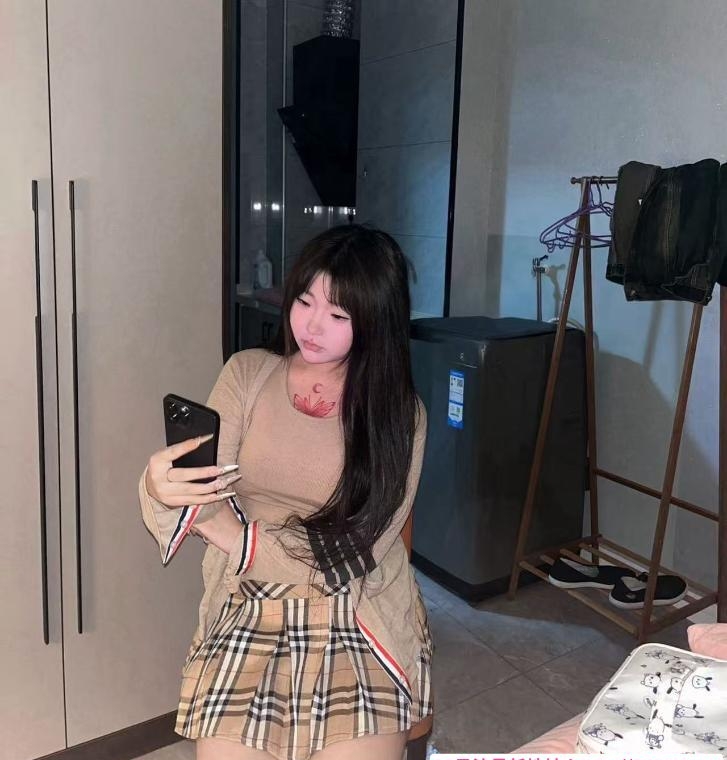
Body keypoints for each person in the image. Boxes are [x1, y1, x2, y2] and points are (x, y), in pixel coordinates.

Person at [139, 225, 433, 760]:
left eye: (338, 315)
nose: (311, 325)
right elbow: (199, 485)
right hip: (251, 601)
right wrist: (160, 487)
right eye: (304, 301)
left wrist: (236, 536)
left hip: (355, 608)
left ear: (376, 322)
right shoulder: (249, 372)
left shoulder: (399, 413)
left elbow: (357, 548)